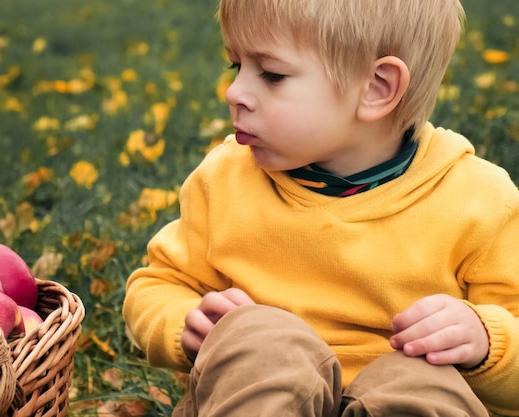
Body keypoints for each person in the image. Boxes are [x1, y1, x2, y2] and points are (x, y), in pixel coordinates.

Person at [123, 0, 519, 415]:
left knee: (426, 385)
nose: (235, 92)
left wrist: (488, 342)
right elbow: (157, 284)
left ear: (376, 88)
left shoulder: (478, 200)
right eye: (235, 66)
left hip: (408, 390)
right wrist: (184, 322)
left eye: (271, 74)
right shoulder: (223, 181)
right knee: (261, 343)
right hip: (262, 395)